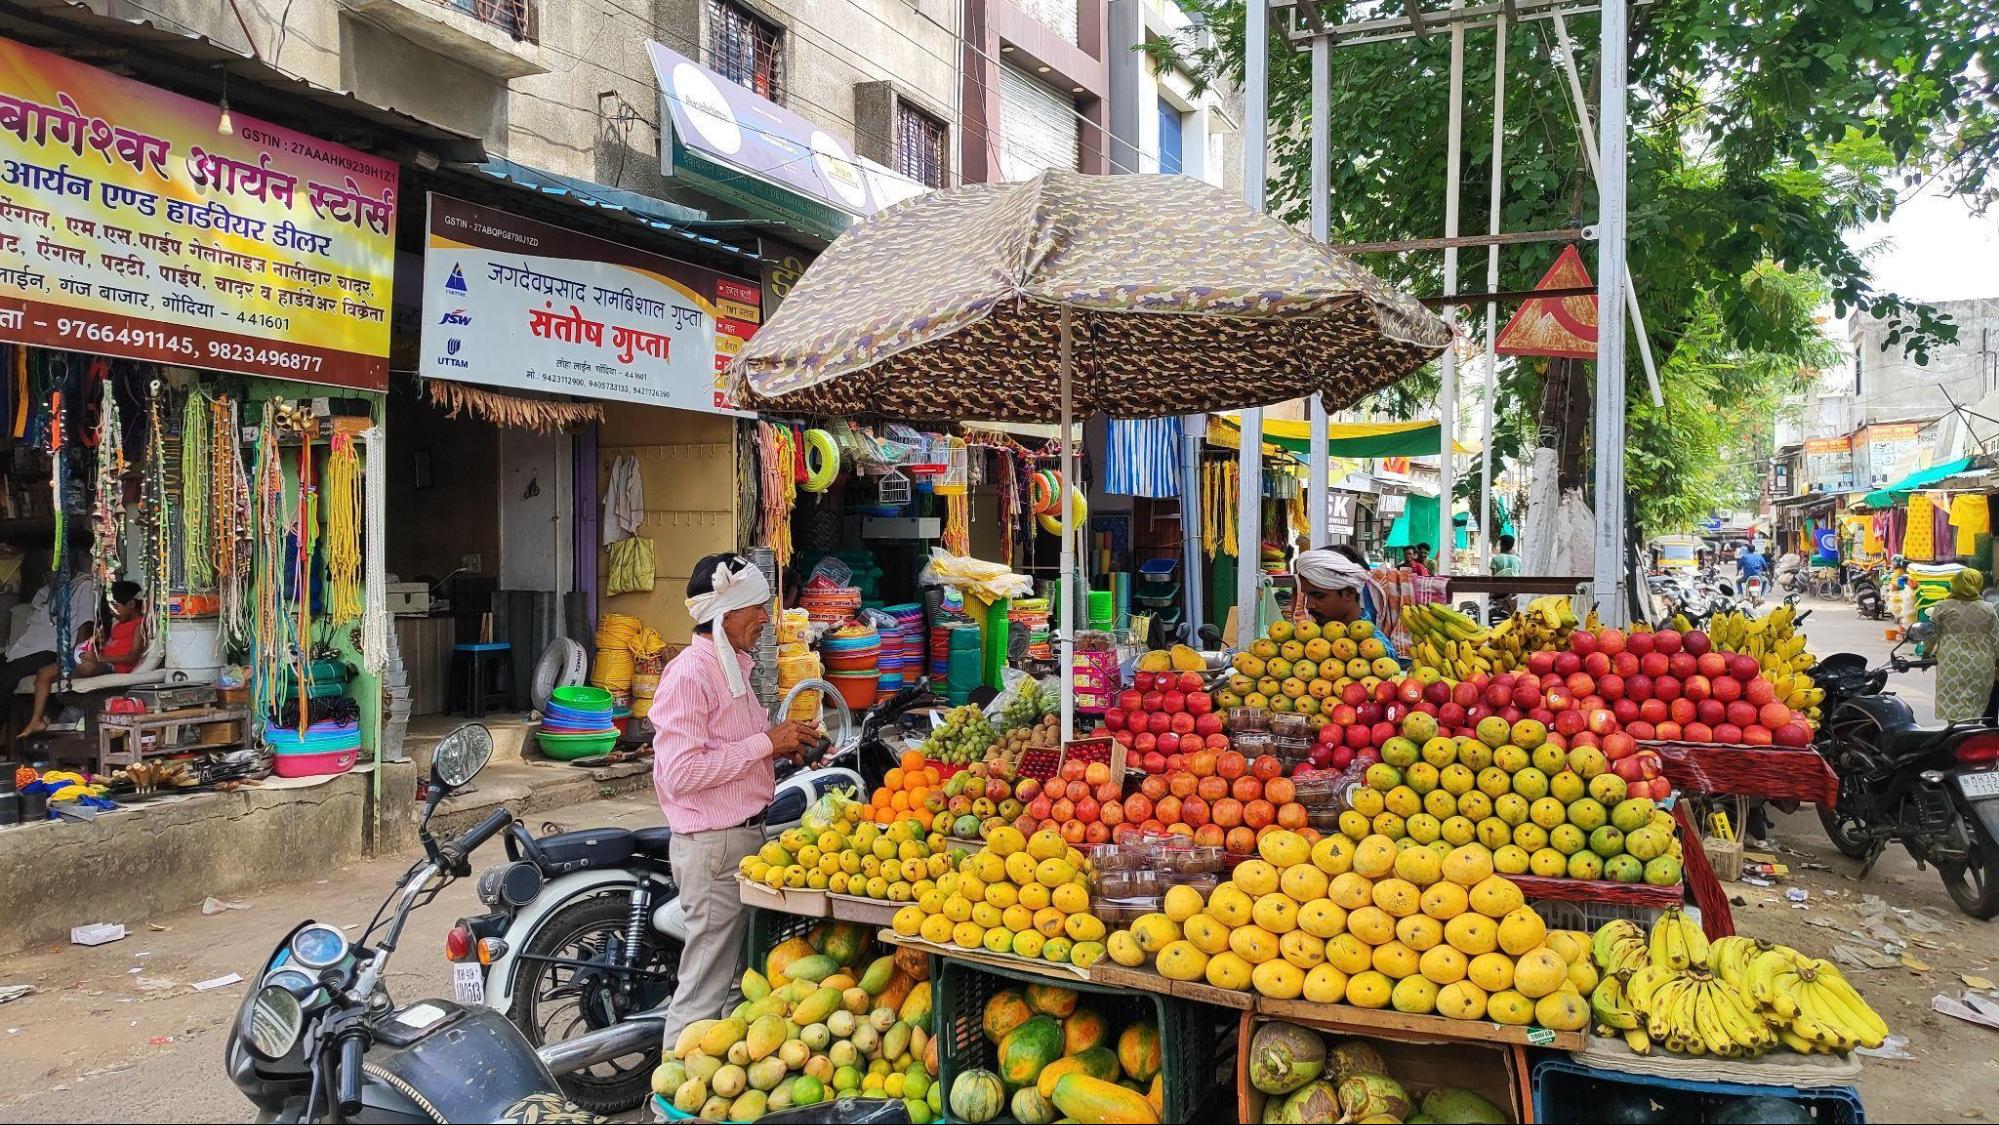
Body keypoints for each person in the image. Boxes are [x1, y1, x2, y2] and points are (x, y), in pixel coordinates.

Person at [651, 554, 821, 1051]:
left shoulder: (733, 669)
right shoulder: (689, 676)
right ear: (726, 615)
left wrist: (786, 748)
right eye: (757, 608)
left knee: (729, 986)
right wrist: (767, 743)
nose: (766, 618)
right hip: (712, 846)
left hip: (738, 838)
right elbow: (681, 773)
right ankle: (669, 1105)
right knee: (703, 987)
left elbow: (733, 754)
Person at [19, 580, 141, 738]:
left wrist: (99, 658)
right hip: (98, 660)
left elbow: (132, 657)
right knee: (44, 673)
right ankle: (37, 720)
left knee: (87, 667)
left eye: (116, 607)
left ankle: (62, 692)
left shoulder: (139, 624)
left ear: (131, 604)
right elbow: (108, 646)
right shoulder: (117, 623)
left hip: (112, 665)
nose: (112, 612)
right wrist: (95, 645)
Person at [1294, 549, 1397, 657]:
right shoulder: (1309, 643)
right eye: (1306, 595)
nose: (1308, 605)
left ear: (1349, 594)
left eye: (1319, 596)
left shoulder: (1376, 654)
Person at [1929, 568, 1998, 725]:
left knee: (1953, 703)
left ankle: (1956, 735)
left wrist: (1927, 654)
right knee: (1974, 704)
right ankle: (1970, 736)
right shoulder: (1988, 609)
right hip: (1982, 663)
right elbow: (1996, 639)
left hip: (1951, 662)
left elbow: (1932, 634)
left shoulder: (1942, 607)